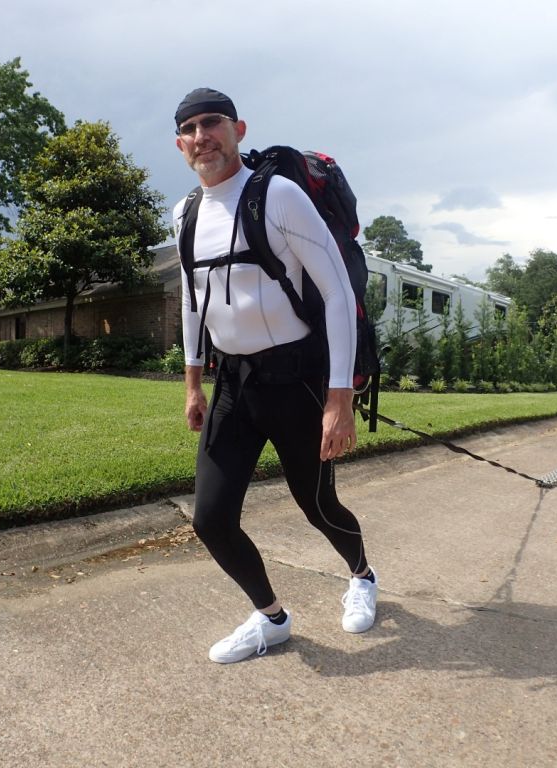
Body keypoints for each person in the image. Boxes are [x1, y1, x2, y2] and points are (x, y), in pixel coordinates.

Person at [172, 87, 377, 664]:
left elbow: (336, 292)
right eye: (189, 129)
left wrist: (339, 400)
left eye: (211, 123)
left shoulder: (278, 195)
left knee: (316, 504)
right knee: (211, 519)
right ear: (179, 143)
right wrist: (192, 384)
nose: (200, 136)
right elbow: (193, 302)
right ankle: (271, 618)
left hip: (298, 380)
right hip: (234, 383)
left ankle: (361, 574)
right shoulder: (185, 213)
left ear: (237, 128)